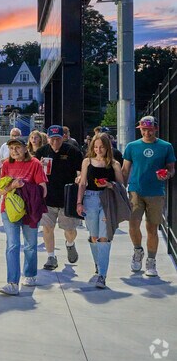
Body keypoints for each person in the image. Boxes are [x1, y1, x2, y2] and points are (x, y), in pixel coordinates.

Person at [122, 116, 176, 276]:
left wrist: (167, 174)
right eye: (144, 129)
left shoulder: (166, 147)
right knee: (133, 225)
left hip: (156, 192)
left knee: (152, 228)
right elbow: (125, 170)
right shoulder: (132, 146)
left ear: (156, 129)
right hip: (135, 190)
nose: (147, 132)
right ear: (140, 129)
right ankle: (138, 251)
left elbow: (171, 169)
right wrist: (121, 189)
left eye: (150, 129)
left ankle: (151, 260)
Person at [0, 137, 48, 295]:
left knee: (30, 245)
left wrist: (26, 189)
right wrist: (12, 186)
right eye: (11, 148)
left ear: (26, 148)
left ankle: (30, 274)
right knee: (12, 245)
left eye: (17, 147)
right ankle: (12, 282)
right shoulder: (6, 164)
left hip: (30, 210)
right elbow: (0, 190)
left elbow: (43, 188)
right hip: (9, 210)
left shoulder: (35, 164)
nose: (14, 151)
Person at [77, 133, 124, 288]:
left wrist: (110, 185)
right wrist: (79, 202)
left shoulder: (114, 164)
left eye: (102, 147)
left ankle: (102, 275)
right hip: (89, 199)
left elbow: (122, 186)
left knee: (104, 237)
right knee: (94, 236)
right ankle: (98, 265)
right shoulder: (86, 162)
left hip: (107, 200)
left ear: (107, 147)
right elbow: (83, 183)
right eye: (96, 147)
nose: (98, 150)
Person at [35, 125, 83, 270]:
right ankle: (51, 257)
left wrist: (79, 178)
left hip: (67, 198)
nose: (55, 142)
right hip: (47, 197)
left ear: (64, 138)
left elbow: (81, 171)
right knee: (47, 228)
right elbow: (34, 171)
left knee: (69, 230)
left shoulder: (72, 151)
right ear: (48, 138)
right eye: (52, 139)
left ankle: (70, 244)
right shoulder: (41, 152)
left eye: (58, 139)